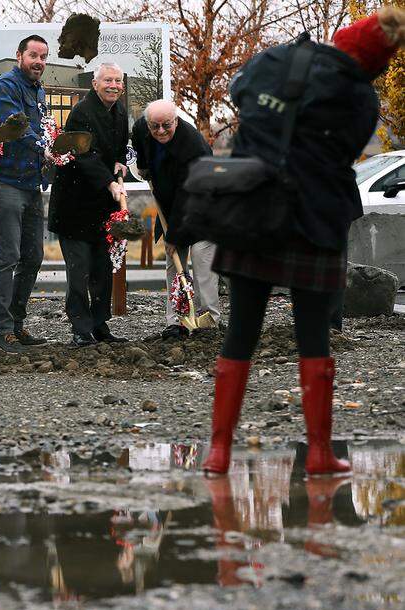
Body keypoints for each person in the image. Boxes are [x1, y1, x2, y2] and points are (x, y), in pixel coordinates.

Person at [202, 8, 404, 475]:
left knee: (241, 332)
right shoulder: (361, 98)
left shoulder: (276, 60)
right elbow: (347, 150)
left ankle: (217, 452)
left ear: (342, 38)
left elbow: (238, 90)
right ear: (376, 63)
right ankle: (317, 453)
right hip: (316, 220)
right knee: (314, 337)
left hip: (254, 208)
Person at [47, 62, 131, 347]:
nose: (114, 86)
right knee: (80, 269)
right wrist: (110, 183)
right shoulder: (81, 112)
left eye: (118, 81)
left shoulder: (120, 111)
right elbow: (85, 155)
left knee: (102, 268)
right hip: (74, 206)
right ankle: (80, 328)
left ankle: (99, 324)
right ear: (95, 84)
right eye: (108, 80)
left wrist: (120, 164)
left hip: (102, 208)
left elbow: (120, 147)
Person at [0, 34, 52, 353]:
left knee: (34, 256)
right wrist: (47, 146)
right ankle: (2, 331)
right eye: (33, 55)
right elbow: (19, 127)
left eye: (43, 57)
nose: (39, 62)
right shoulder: (5, 86)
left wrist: (54, 147)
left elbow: (44, 129)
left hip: (31, 185)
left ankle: (17, 324)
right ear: (19, 56)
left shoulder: (39, 90)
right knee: (8, 256)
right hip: (5, 183)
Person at [131, 99, 221, 339]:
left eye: (166, 125)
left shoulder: (194, 148)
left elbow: (187, 196)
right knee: (175, 267)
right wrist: (143, 166)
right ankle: (176, 322)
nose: (160, 131)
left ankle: (208, 319)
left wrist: (173, 236)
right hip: (172, 206)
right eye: (155, 126)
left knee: (203, 264)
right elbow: (139, 139)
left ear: (176, 121)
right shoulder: (142, 127)